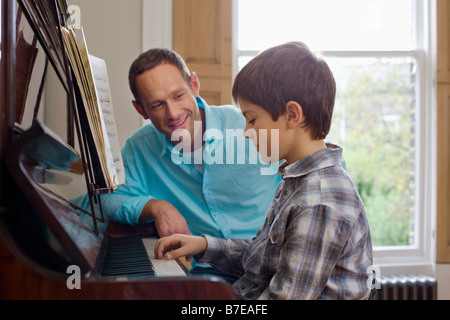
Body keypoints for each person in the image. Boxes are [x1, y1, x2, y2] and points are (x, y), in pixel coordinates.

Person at [154, 42, 373, 300]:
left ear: (292, 115)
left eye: (253, 120)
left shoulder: (318, 202)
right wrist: (203, 245)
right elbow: (263, 262)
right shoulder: (296, 181)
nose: (246, 132)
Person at [98, 48, 282, 280]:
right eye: (157, 105)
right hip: (208, 272)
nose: (173, 113)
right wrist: (157, 207)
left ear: (194, 85)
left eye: (178, 96)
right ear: (141, 110)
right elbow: (106, 199)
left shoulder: (247, 125)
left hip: (269, 267)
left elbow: (309, 168)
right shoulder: (141, 148)